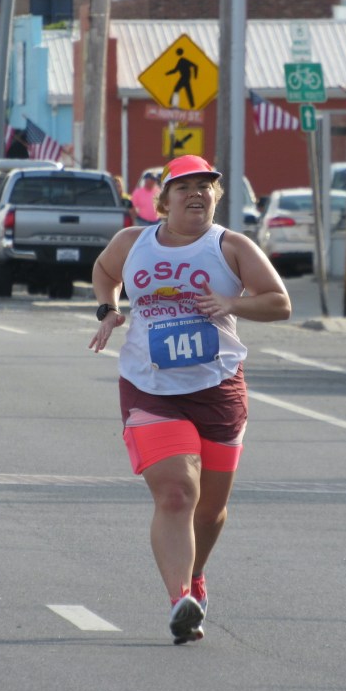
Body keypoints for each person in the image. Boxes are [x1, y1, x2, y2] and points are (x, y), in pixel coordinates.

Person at [88, 154, 291, 644]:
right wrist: (108, 310)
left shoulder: (231, 247)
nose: (196, 194)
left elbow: (279, 302)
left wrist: (232, 303)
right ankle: (180, 598)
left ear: (216, 197)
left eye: (206, 187)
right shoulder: (132, 242)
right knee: (177, 493)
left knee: (211, 510)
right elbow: (103, 270)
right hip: (150, 385)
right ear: (164, 199)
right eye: (184, 187)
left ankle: (195, 579)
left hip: (218, 388)